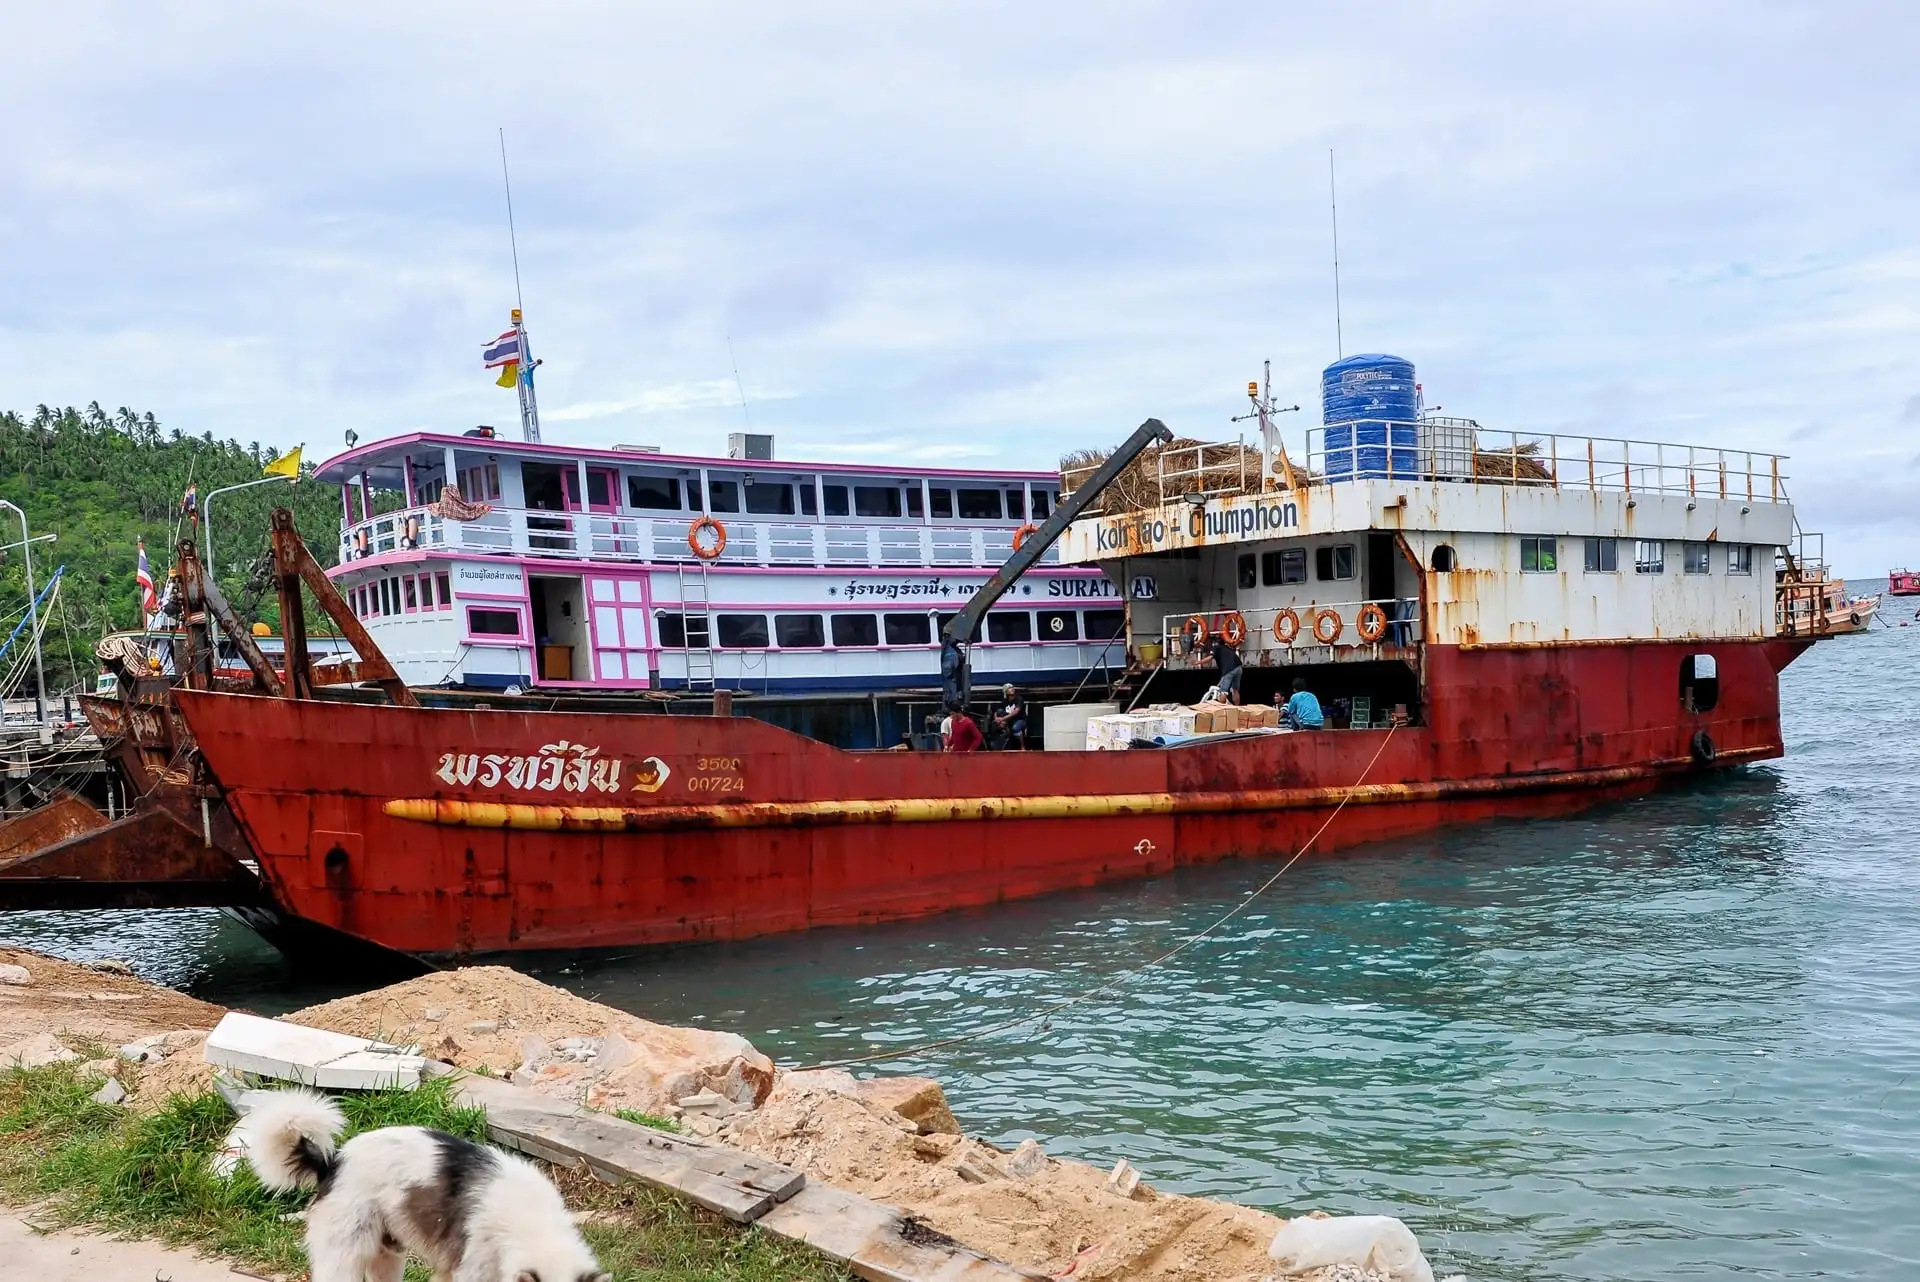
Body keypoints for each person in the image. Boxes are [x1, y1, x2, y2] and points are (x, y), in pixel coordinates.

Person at [991, 683, 1027, 750]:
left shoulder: (1018, 698)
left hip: (1020, 720)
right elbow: (996, 711)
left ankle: (1022, 746)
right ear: (1006, 691)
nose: (1012, 689)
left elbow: (1016, 712)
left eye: (1012, 687)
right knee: (999, 711)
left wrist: (1002, 719)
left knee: (1015, 728)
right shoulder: (1005, 701)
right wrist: (996, 719)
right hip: (1009, 720)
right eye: (1009, 688)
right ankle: (1005, 736)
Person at [1209, 637, 1243, 705]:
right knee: (1235, 690)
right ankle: (1238, 708)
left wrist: (1197, 662)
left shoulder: (1216, 648)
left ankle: (1221, 711)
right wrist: (1218, 684)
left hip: (1230, 670)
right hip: (1239, 667)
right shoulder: (1227, 649)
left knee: (1223, 691)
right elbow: (1224, 676)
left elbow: (1210, 657)